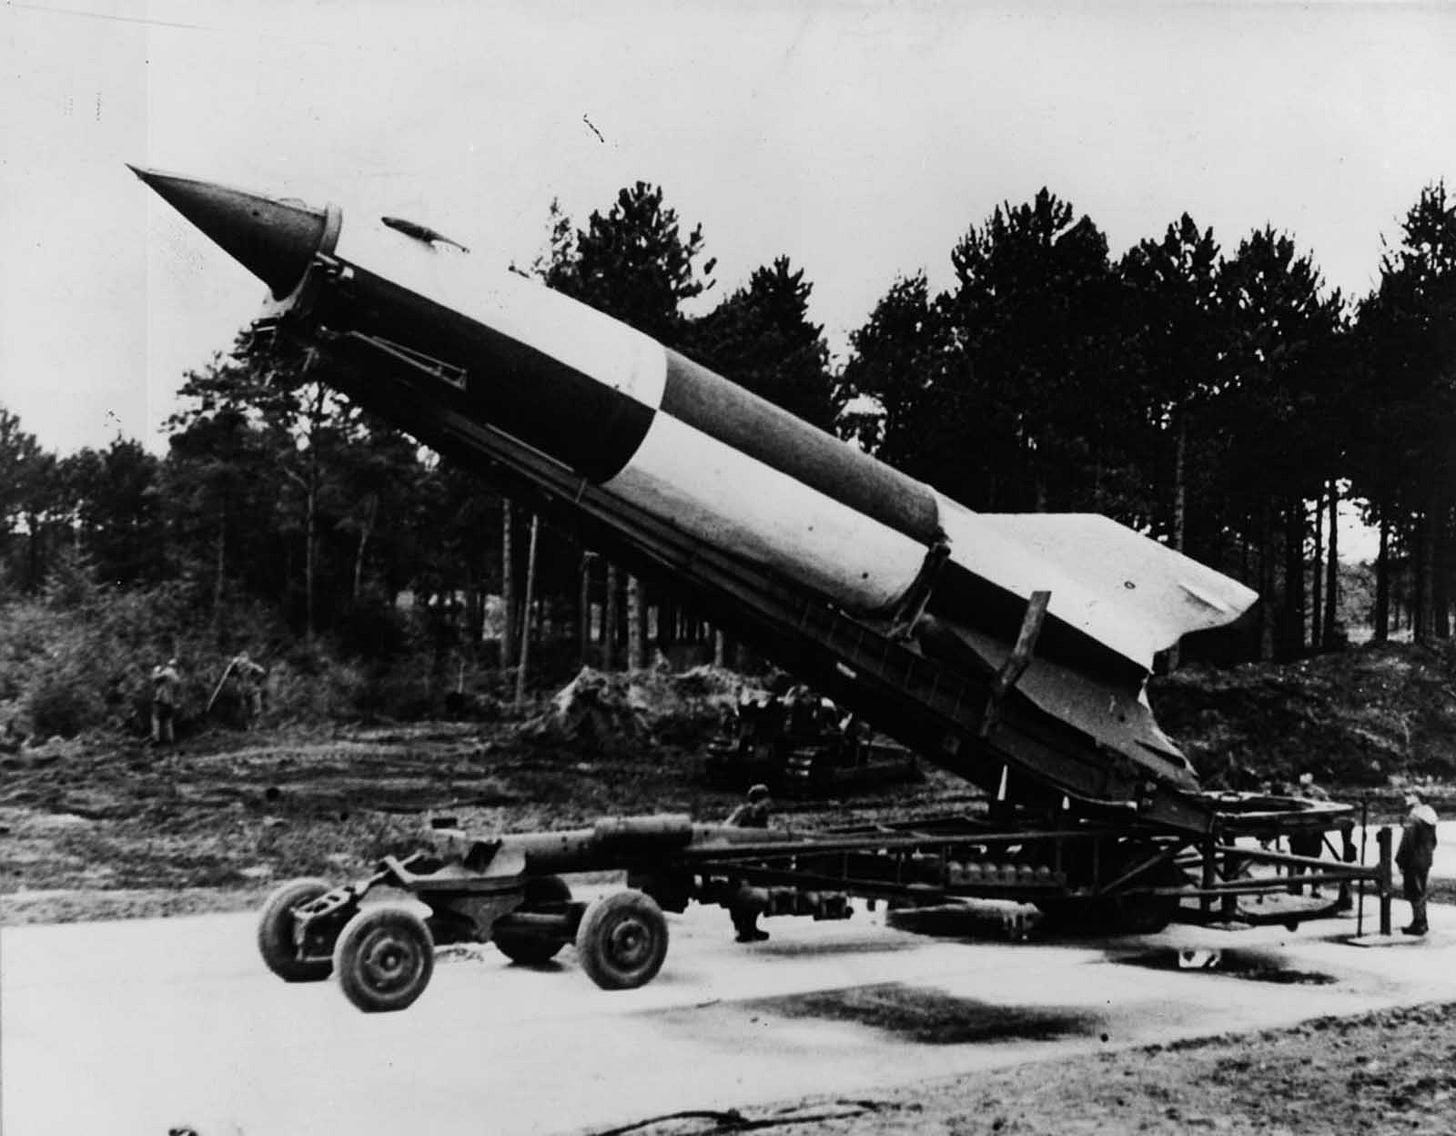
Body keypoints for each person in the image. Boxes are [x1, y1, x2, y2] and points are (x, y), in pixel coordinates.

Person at [725, 784, 772, 941]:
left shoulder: (762, 815)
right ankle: (740, 929)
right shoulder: (743, 813)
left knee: (756, 895)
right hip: (739, 861)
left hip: (755, 861)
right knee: (738, 896)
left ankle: (752, 927)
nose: (768, 803)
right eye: (765, 799)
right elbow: (726, 831)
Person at [1395, 789, 1439, 936]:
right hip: (1425, 858)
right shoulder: (1430, 815)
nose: (1406, 798)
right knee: (1421, 890)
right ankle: (1422, 921)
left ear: (1417, 798)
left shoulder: (1413, 817)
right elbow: (1434, 841)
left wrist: (1400, 860)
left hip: (1413, 860)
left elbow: (1407, 842)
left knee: (1414, 891)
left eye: (1409, 795)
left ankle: (1418, 923)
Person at [231, 651, 267, 730]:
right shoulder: (237, 668)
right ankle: (248, 726)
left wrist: (256, 681)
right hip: (243, 691)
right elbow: (230, 674)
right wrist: (232, 664)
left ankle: (257, 724)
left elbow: (262, 673)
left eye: (245, 658)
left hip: (254, 689)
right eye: (241, 658)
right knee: (246, 709)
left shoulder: (252, 666)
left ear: (248, 659)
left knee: (257, 708)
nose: (243, 660)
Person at [150, 657, 180, 746]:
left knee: (156, 721)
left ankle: (157, 740)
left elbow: (154, 679)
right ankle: (170, 740)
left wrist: (156, 672)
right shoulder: (175, 675)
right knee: (168, 722)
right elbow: (177, 684)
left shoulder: (166, 673)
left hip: (161, 701)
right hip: (170, 701)